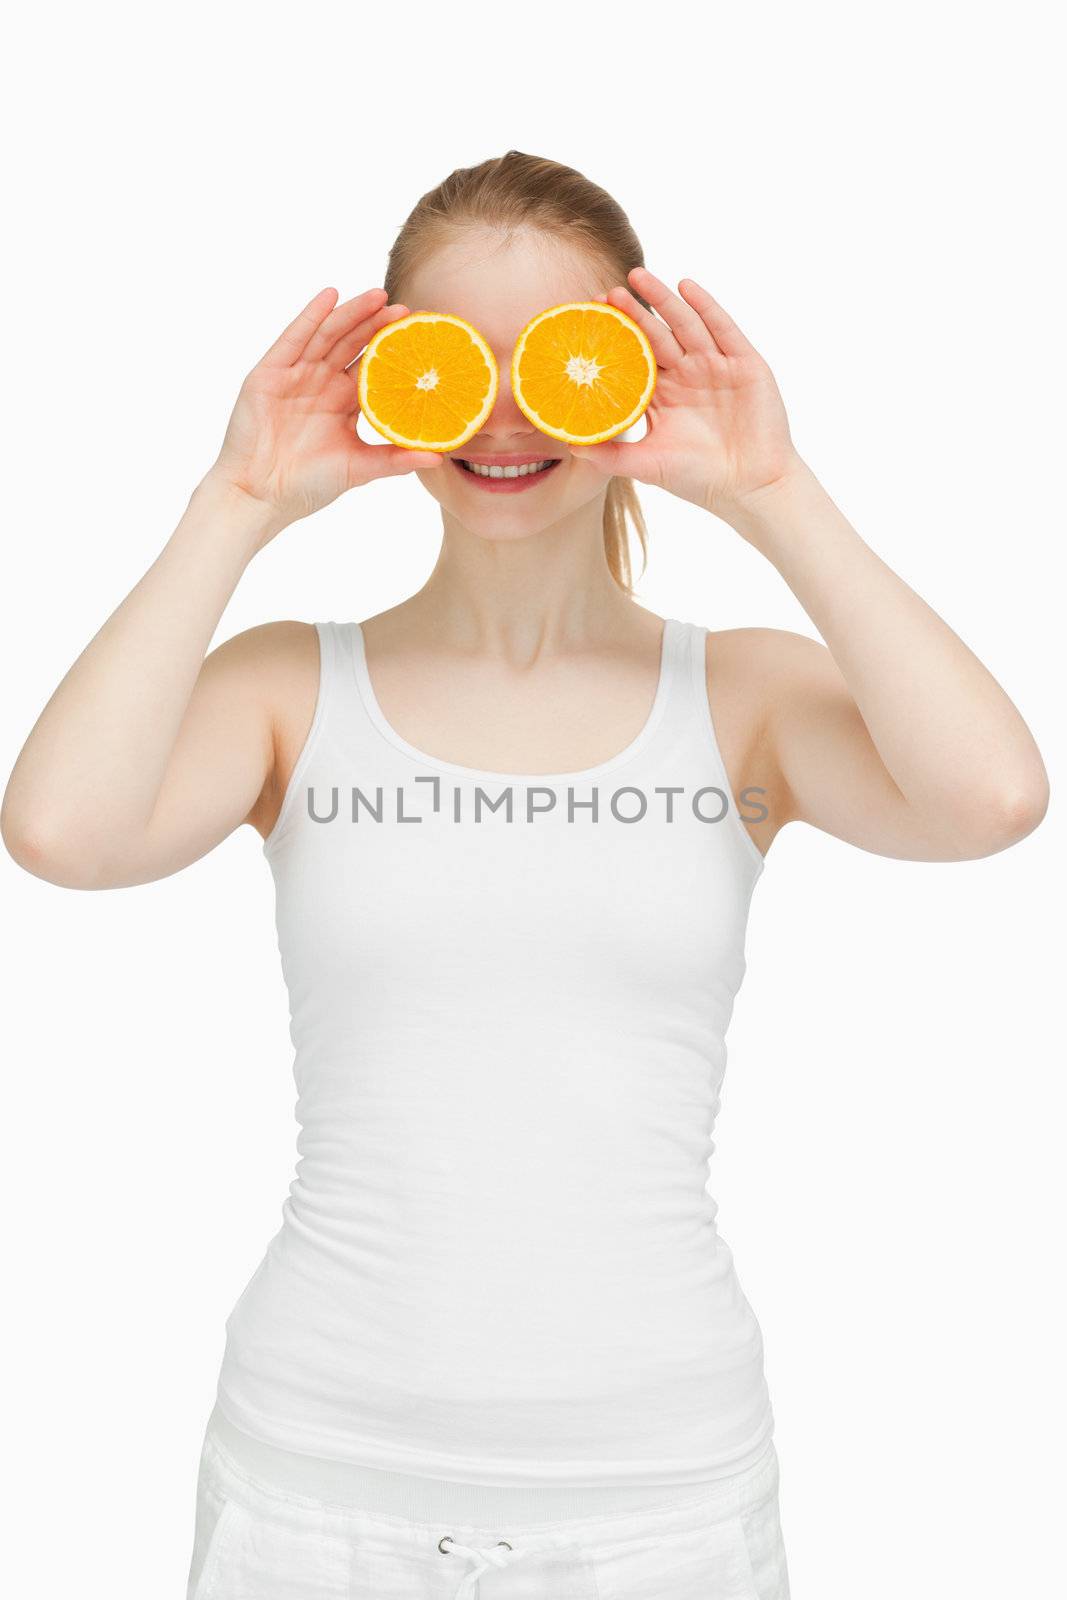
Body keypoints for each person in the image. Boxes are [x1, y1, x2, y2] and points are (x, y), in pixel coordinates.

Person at [1, 150, 1048, 1600]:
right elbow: (60, 832)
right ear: (386, 378)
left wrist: (773, 491)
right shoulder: (290, 690)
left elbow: (991, 798)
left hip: (659, 1496)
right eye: (448, 363)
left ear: (627, 373)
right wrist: (236, 500)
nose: (498, 415)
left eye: (553, 360)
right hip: (319, 1483)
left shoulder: (741, 699)